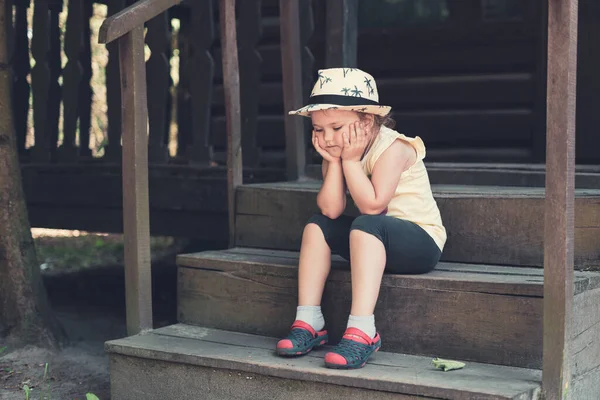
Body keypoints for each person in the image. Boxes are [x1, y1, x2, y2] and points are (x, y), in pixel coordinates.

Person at [275, 68, 446, 369]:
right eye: (318, 129)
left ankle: (363, 330)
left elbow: (372, 206)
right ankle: (309, 321)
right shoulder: (339, 151)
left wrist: (351, 161)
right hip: (372, 243)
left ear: (366, 122)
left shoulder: (394, 148)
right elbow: (331, 209)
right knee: (318, 226)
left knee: (366, 224)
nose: (327, 138)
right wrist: (335, 162)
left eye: (336, 127)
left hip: (419, 243)